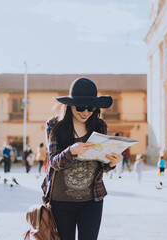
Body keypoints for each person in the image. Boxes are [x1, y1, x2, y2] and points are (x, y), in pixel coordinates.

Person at [42, 78, 121, 240]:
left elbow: (102, 164)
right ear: (70, 105)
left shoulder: (99, 126)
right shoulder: (54, 125)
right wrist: (72, 151)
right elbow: (55, 162)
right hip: (60, 201)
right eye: (80, 107)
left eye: (91, 107)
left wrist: (111, 163)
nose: (85, 112)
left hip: (92, 200)